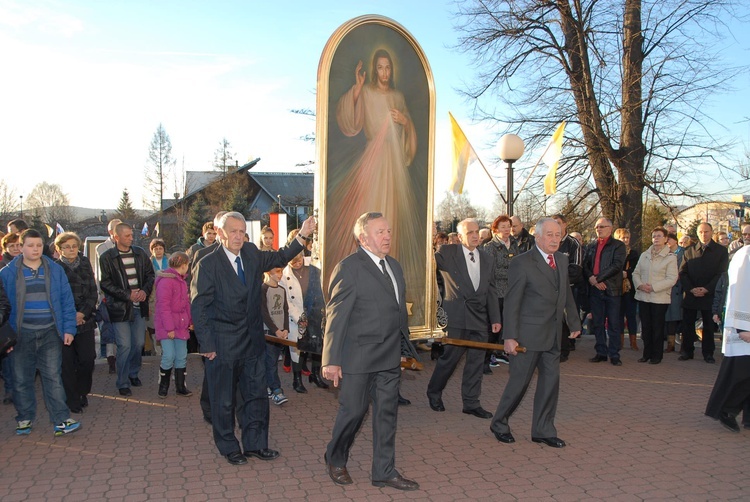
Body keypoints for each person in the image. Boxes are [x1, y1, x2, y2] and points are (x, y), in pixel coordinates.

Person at [190, 212, 313, 465]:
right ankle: (229, 447)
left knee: (256, 396)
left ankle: (256, 445)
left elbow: (280, 257)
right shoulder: (207, 263)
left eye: (241, 231)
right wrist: (207, 344)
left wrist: (302, 235)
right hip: (223, 344)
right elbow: (199, 306)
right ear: (221, 233)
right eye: (232, 231)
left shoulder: (251, 253)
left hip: (254, 341)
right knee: (224, 400)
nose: (237, 236)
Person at [326, 48, 423, 326]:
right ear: (374, 68)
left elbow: (408, 136)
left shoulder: (398, 97)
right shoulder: (366, 92)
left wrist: (405, 121)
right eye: (379, 68)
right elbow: (351, 123)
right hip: (374, 160)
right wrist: (357, 89)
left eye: (387, 68)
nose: (383, 73)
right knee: (370, 211)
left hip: (394, 163)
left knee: (391, 209)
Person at [321, 212, 418, 491]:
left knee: (387, 415)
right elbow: (336, 316)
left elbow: (399, 313)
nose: (387, 236)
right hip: (358, 357)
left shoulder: (394, 266)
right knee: (353, 412)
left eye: (388, 231)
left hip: (388, 358)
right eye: (380, 232)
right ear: (363, 238)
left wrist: (403, 348)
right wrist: (332, 360)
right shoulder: (348, 268)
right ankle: (335, 458)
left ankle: (384, 472)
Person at [490, 218, 581, 448]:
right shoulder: (522, 262)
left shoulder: (561, 259)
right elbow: (512, 302)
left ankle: (543, 430)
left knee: (550, 384)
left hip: (552, 335)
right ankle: (499, 423)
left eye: (558, 234)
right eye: (549, 234)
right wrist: (509, 336)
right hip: (527, 337)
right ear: (538, 237)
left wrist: (574, 321)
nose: (554, 239)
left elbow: (565, 295)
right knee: (519, 384)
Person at [0, 229, 81, 436]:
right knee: (21, 378)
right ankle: (24, 418)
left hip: (50, 333)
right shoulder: (8, 273)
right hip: (21, 334)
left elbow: (66, 301)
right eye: (30, 245)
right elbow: (4, 306)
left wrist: (69, 329)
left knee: (52, 376)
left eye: (38, 245)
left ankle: (61, 419)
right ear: (21, 246)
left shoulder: (54, 270)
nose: (34, 249)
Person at [427, 218, 501, 418]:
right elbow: (425, 256)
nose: (475, 235)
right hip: (457, 316)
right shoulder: (447, 253)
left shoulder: (487, 258)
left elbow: (491, 290)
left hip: (479, 318)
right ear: (459, 237)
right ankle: (434, 392)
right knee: (449, 360)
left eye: (477, 231)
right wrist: (430, 230)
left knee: (476, 362)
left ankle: (471, 402)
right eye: (469, 233)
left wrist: (495, 318)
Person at [99, 223, 155, 396]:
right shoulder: (107, 257)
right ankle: (122, 382)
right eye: (127, 236)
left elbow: (150, 275)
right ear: (116, 237)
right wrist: (127, 295)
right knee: (124, 345)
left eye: (131, 235)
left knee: (138, 344)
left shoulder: (140, 253)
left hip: (139, 307)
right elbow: (105, 283)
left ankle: (133, 373)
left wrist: (145, 291)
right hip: (120, 308)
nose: (131, 238)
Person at [705, 244, 750, 432]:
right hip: (745, 327)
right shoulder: (747, 254)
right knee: (740, 374)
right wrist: (743, 326)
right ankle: (726, 409)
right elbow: (742, 291)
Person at [54, 232, 98, 413]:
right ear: (59, 249)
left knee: (87, 359)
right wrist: (70, 315)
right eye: (67, 247)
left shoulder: (86, 264)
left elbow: (93, 292)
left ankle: (82, 391)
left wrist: (83, 313)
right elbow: (55, 296)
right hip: (64, 322)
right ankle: (72, 399)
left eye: (74, 246)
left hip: (85, 319)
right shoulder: (55, 268)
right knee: (67, 363)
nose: (71, 250)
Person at [280, 247, 328, 394]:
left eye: (299, 260)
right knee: (298, 348)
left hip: (315, 313)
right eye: (293, 262)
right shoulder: (284, 276)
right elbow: (287, 301)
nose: (297, 264)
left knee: (317, 346)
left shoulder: (314, 269)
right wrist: (299, 317)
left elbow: (321, 290)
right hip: (297, 316)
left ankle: (315, 374)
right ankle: (297, 379)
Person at [679, 223, 728, 364]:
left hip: (709, 294)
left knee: (708, 326)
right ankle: (687, 351)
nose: (703, 234)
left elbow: (721, 274)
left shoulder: (720, 251)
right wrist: (691, 289)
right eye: (700, 232)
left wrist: (707, 289)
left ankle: (708, 353)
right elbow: (683, 272)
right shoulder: (689, 250)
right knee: (687, 325)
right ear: (697, 233)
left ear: (712, 232)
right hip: (691, 294)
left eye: (706, 231)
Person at [583, 218, 626, 365]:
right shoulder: (591, 246)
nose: (599, 229)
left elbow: (617, 265)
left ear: (610, 228)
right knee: (597, 323)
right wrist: (591, 278)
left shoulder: (618, 246)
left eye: (602, 227)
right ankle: (601, 352)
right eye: (596, 227)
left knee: (613, 323)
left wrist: (599, 279)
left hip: (612, 289)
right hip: (595, 290)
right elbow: (585, 265)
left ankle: (614, 354)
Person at [631, 228, 678, 364]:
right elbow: (635, 273)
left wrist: (654, 288)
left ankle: (657, 355)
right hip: (643, 296)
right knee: (646, 327)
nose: (656, 238)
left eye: (659, 236)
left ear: (665, 239)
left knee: (657, 327)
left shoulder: (670, 258)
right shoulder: (644, 255)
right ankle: (646, 353)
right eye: (654, 236)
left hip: (659, 298)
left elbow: (672, 278)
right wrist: (640, 285)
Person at [481, 215, 519, 371]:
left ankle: (502, 353)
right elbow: (491, 271)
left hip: (513, 292)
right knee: (494, 327)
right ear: (495, 229)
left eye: (508, 226)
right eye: (502, 227)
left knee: (510, 326)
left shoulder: (515, 245)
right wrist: (511, 274)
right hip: (496, 293)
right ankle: (484, 359)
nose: (506, 230)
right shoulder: (489, 247)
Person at [153, 252, 192, 398]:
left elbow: (186, 303)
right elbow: (164, 307)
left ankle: (181, 386)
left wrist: (190, 320)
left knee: (181, 355)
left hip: (181, 324)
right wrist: (169, 328)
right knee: (169, 355)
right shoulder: (166, 281)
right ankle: (163, 387)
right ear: (183, 265)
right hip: (168, 326)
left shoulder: (181, 281)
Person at [553, 214, 583, 361]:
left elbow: (576, 269)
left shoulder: (573, 243)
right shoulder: (549, 241)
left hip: (569, 287)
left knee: (566, 318)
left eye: (558, 223)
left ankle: (565, 349)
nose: (556, 226)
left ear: (565, 224)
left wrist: (559, 281)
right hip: (551, 290)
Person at [95, 218, 122, 374]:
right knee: (110, 330)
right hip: (108, 295)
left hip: (124, 296)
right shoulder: (102, 248)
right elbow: (101, 274)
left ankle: (122, 359)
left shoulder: (128, 246)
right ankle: (111, 359)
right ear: (111, 232)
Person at [261, 267, 289, 406]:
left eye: (281, 272)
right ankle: (276, 390)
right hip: (268, 333)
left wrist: (285, 329)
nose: (280, 275)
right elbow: (264, 313)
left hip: (280, 333)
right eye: (277, 272)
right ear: (268, 273)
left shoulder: (282, 290)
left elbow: (285, 310)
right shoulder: (263, 289)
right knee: (270, 362)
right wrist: (275, 330)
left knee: (271, 361)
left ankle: (267, 386)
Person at [614, 228, 640, 351]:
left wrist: (627, 273)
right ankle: (619, 342)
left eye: (627, 238)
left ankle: (633, 341)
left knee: (631, 316)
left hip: (630, 289)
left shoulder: (634, 254)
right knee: (618, 316)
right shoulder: (614, 252)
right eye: (622, 237)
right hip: (616, 288)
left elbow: (637, 270)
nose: (625, 240)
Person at [665, 233, 685, 353]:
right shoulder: (664, 253)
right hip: (669, 289)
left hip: (681, 288)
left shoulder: (683, 253)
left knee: (683, 318)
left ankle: (684, 345)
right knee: (670, 318)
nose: (667, 241)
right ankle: (670, 344)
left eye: (669, 239)